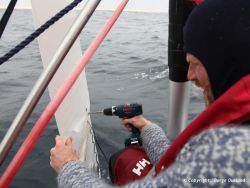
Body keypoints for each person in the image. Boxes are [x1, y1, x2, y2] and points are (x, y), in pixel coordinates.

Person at [50, 0, 250, 187]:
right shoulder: (236, 131)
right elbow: (181, 166)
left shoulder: (234, 157)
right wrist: (146, 127)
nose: (189, 75)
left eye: (195, 63)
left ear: (225, 61)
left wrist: (69, 166)